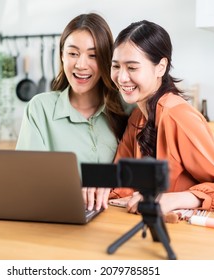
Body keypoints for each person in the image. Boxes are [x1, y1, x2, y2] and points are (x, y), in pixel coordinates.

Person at [109, 20, 214, 215]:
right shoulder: (138, 116)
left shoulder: (177, 116)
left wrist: (175, 198)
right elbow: (121, 183)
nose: (121, 77)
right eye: (116, 66)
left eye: (132, 67)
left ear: (160, 67)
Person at [16, 13, 128, 211]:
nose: (81, 64)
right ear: (62, 55)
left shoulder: (127, 109)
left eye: (93, 55)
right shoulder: (40, 109)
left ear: (106, 60)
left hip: (116, 221)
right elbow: (26, 180)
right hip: (58, 219)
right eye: (73, 53)